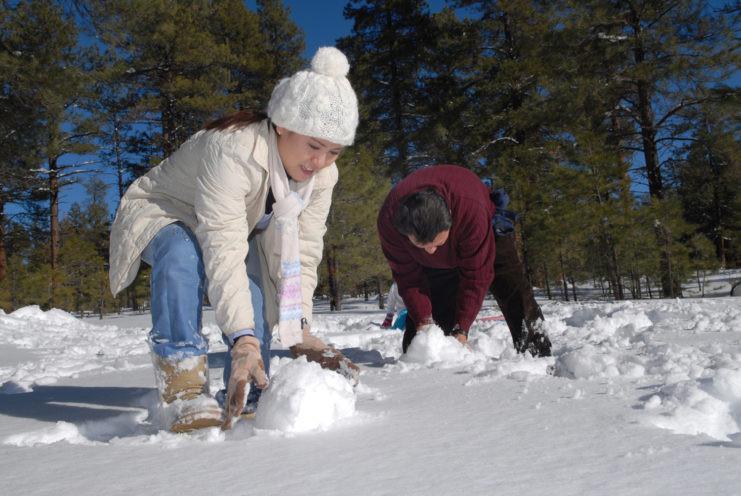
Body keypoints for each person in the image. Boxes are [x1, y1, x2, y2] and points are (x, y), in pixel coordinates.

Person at [109, 47, 360, 433]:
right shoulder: (232, 151)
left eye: (333, 151)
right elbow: (223, 247)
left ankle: (245, 384)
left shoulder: (323, 177)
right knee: (181, 254)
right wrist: (242, 339)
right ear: (282, 125)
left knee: (256, 299)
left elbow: (303, 252)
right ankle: (184, 387)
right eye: (313, 145)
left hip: (234, 227)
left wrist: (300, 327)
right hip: (165, 211)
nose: (320, 161)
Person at [376, 165, 551, 356]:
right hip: (434, 258)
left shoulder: (470, 211)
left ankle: (538, 354)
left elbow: (477, 276)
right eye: (422, 246)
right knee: (424, 335)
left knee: (513, 291)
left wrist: (462, 328)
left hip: (483, 227)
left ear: (450, 221)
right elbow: (409, 280)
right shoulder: (389, 223)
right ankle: (427, 369)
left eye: (437, 243)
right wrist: (423, 322)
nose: (431, 251)